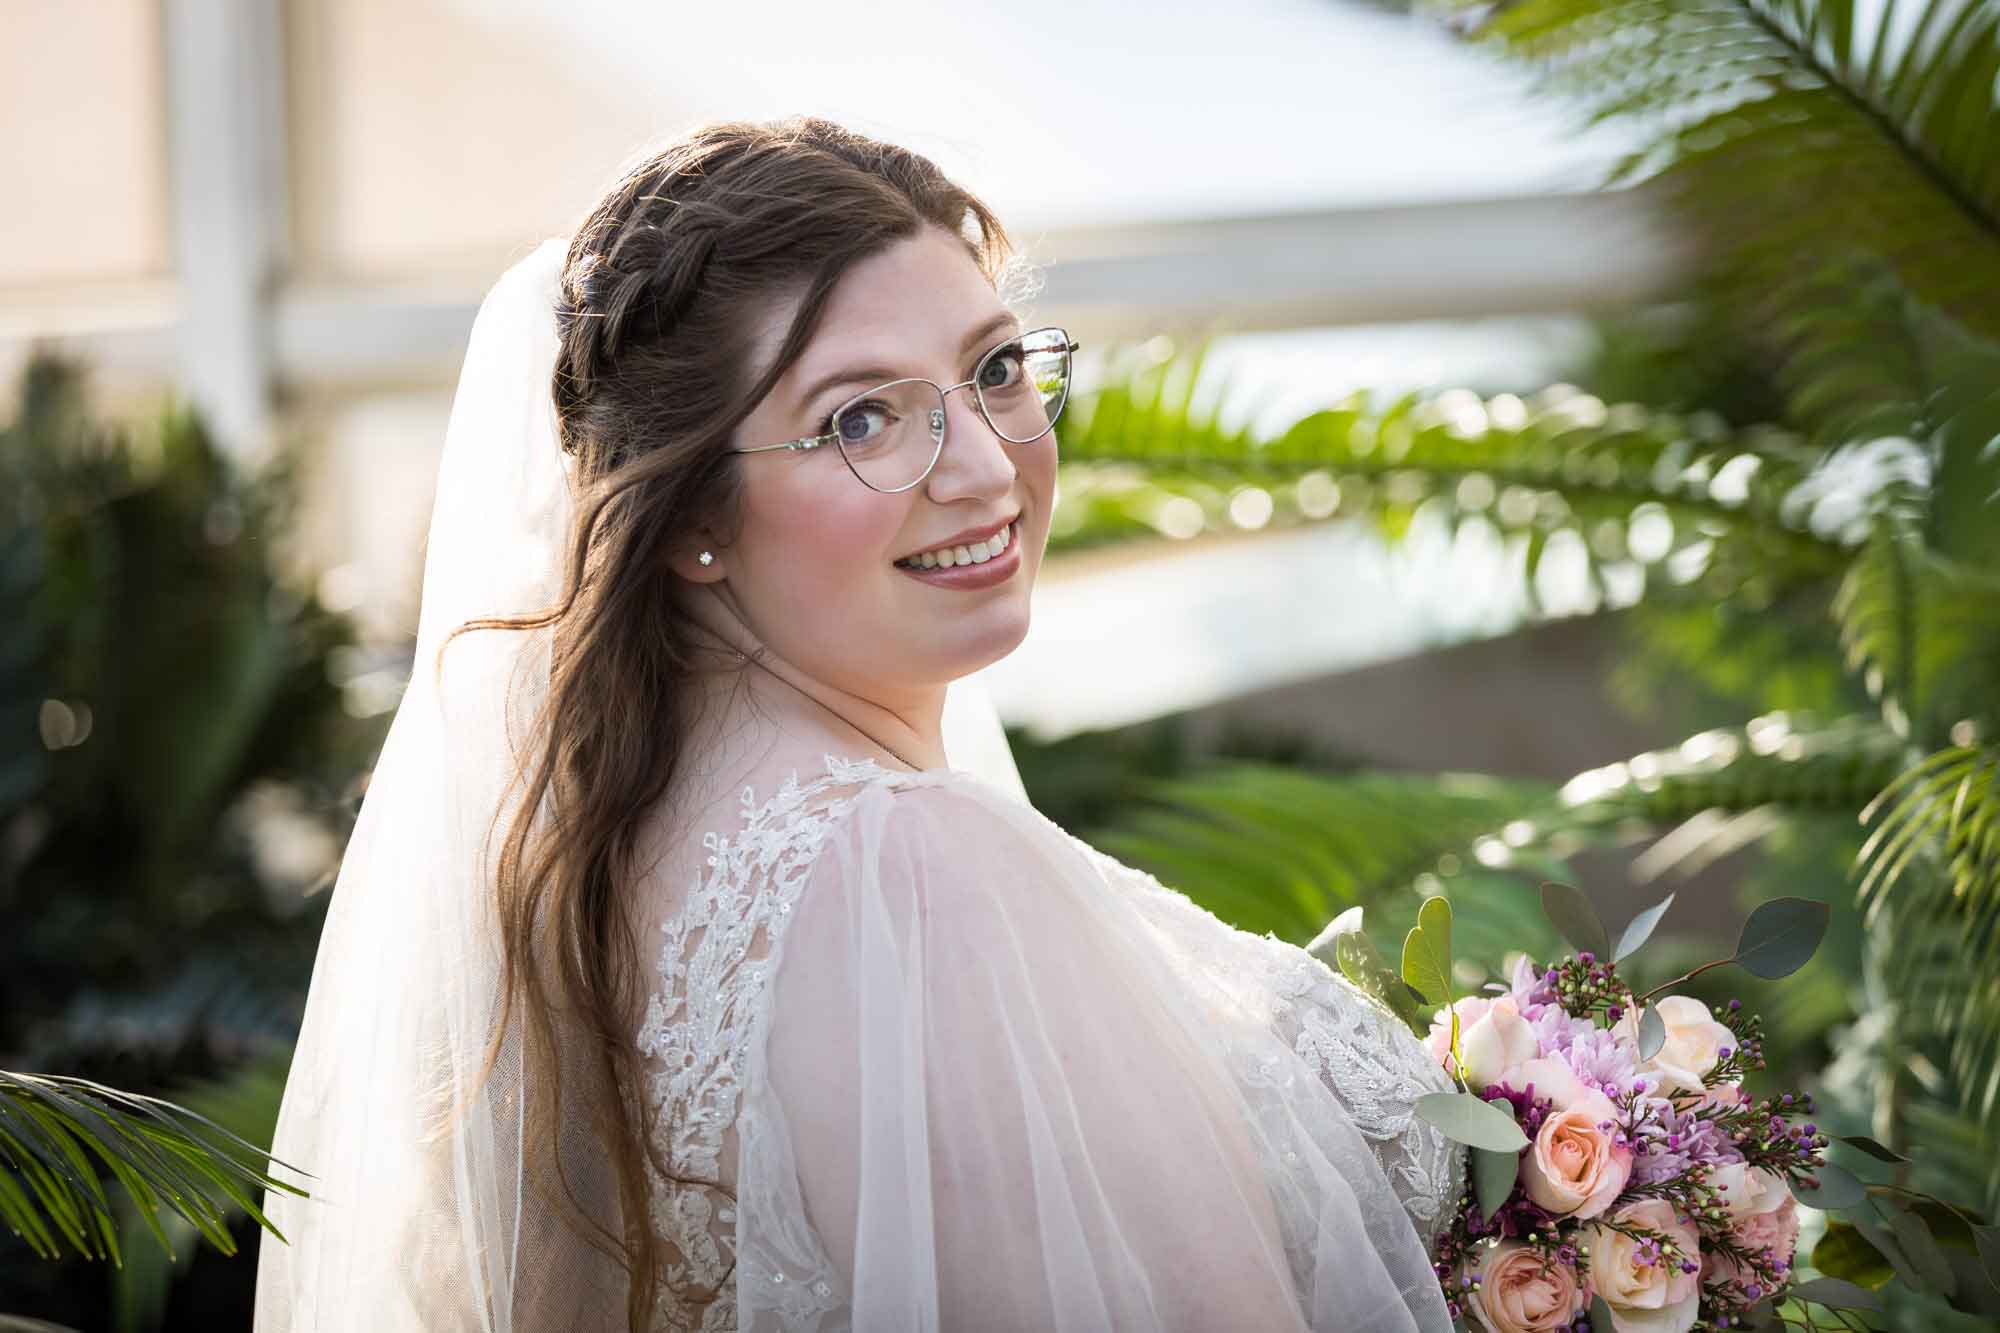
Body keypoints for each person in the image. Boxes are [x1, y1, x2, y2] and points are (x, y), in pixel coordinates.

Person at [253, 117, 1463, 1333]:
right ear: (688, 517)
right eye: (860, 420)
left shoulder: (609, 848)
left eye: (994, 370)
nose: (986, 470)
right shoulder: (917, 874)